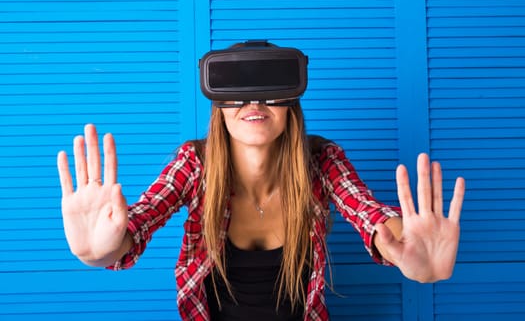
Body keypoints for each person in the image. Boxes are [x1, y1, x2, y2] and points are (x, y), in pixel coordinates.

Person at [57, 41, 465, 321]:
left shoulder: (322, 161)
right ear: (218, 106)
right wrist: (99, 252)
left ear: (292, 103)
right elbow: (139, 220)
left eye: (269, 91)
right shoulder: (194, 164)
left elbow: (367, 212)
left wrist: (408, 250)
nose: (254, 103)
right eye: (238, 91)